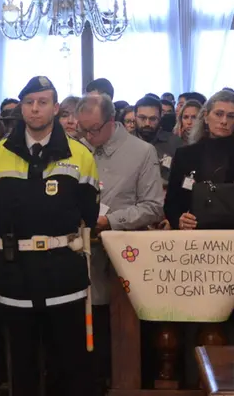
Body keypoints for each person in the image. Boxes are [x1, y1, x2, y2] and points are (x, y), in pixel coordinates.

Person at [0, 75, 100, 396]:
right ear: (21, 107)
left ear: (56, 108)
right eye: (29, 103)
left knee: (69, 364)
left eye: (43, 102)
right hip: (15, 271)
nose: (35, 109)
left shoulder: (81, 155)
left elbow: (88, 214)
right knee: (21, 366)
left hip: (62, 272)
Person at [75, 93, 163, 385]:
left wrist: (110, 220)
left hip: (123, 259)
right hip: (80, 256)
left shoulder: (142, 151)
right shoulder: (77, 149)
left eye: (93, 129)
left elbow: (153, 207)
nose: (88, 136)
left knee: (121, 339)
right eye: (82, 129)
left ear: (111, 121)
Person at [164, 90, 234, 231]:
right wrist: (178, 220)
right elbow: (171, 203)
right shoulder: (185, 155)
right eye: (219, 114)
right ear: (206, 116)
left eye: (231, 116)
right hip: (194, 238)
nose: (224, 121)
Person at [134, 96, 184, 184]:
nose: (147, 123)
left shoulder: (175, 144)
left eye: (153, 119)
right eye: (142, 118)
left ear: (160, 118)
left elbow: (185, 179)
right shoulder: (124, 143)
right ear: (135, 117)